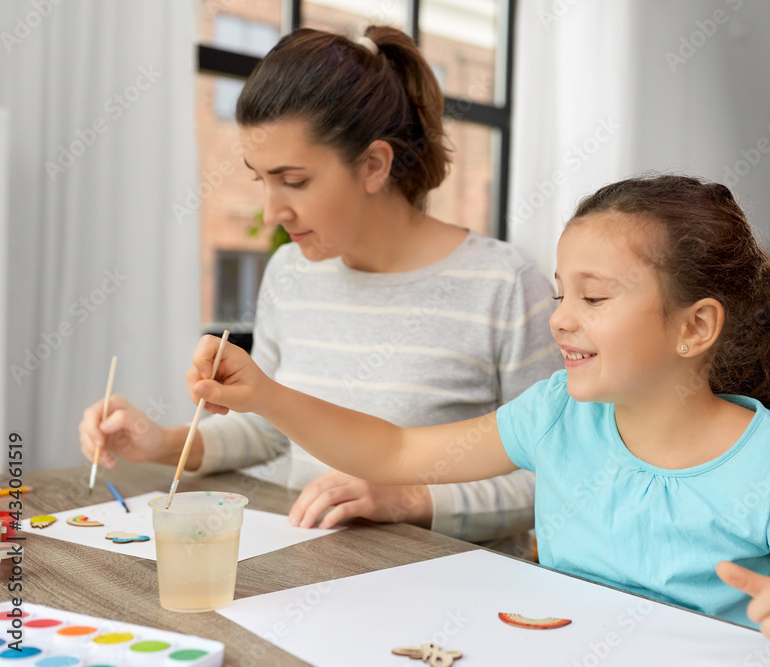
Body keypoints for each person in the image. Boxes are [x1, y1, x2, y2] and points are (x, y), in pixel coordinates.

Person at [184, 174, 770, 667]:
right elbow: (398, 449)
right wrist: (268, 395)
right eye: (563, 294)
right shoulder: (560, 414)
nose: (561, 318)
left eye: (593, 298)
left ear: (695, 328)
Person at [78, 26, 561, 551]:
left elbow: (554, 478)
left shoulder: (503, 285)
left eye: (295, 181)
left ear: (374, 165)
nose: (272, 211)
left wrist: (409, 499)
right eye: (261, 179)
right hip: (305, 567)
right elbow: (271, 433)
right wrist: (163, 442)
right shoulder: (290, 272)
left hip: (443, 593)